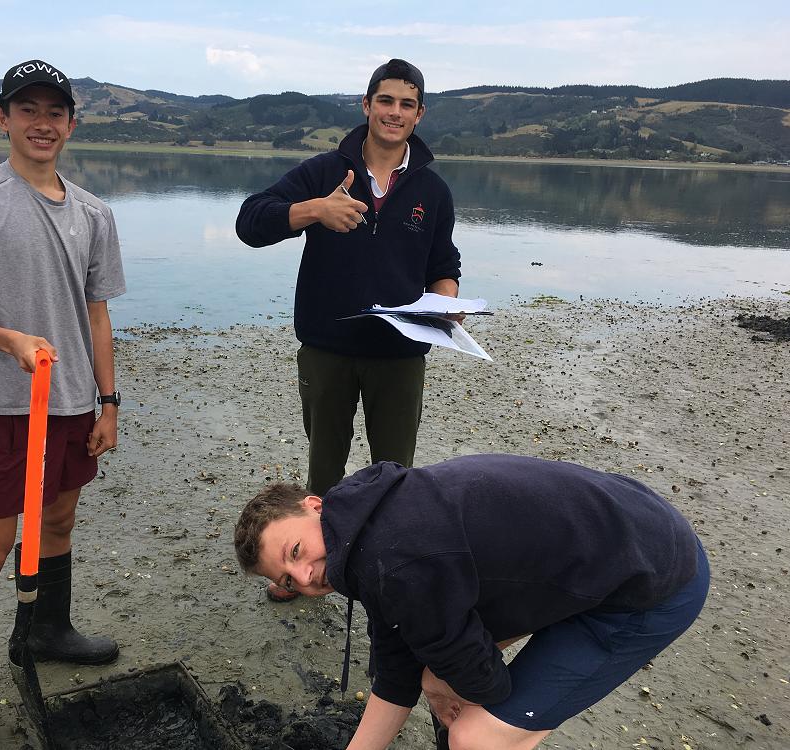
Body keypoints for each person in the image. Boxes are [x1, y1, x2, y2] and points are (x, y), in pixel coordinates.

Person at [234, 454, 710, 750]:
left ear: (314, 506)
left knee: (475, 737)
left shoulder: (396, 563)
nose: (304, 577)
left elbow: (488, 684)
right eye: (288, 580)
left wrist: (445, 683)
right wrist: (438, 675)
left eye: (294, 552)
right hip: (624, 527)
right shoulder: (367, 526)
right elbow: (396, 669)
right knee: (435, 671)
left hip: (650, 582)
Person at [0, 59, 127, 749]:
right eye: (28, 110)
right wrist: (7, 337)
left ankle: (49, 630)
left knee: (61, 517)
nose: (43, 124)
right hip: (4, 406)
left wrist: (109, 402)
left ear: (72, 124)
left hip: (73, 405)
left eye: (55, 112)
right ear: (3, 119)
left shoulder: (95, 213)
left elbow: (96, 317)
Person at [235, 59, 461, 602]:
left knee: (395, 472)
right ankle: (311, 564)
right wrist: (314, 210)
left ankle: (390, 567)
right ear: (367, 105)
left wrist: (446, 302)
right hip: (327, 349)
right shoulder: (324, 170)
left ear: (419, 114)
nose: (395, 112)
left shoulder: (433, 188)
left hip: (401, 353)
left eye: (407, 104)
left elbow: (443, 261)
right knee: (325, 468)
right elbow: (250, 221)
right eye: (386, 101)